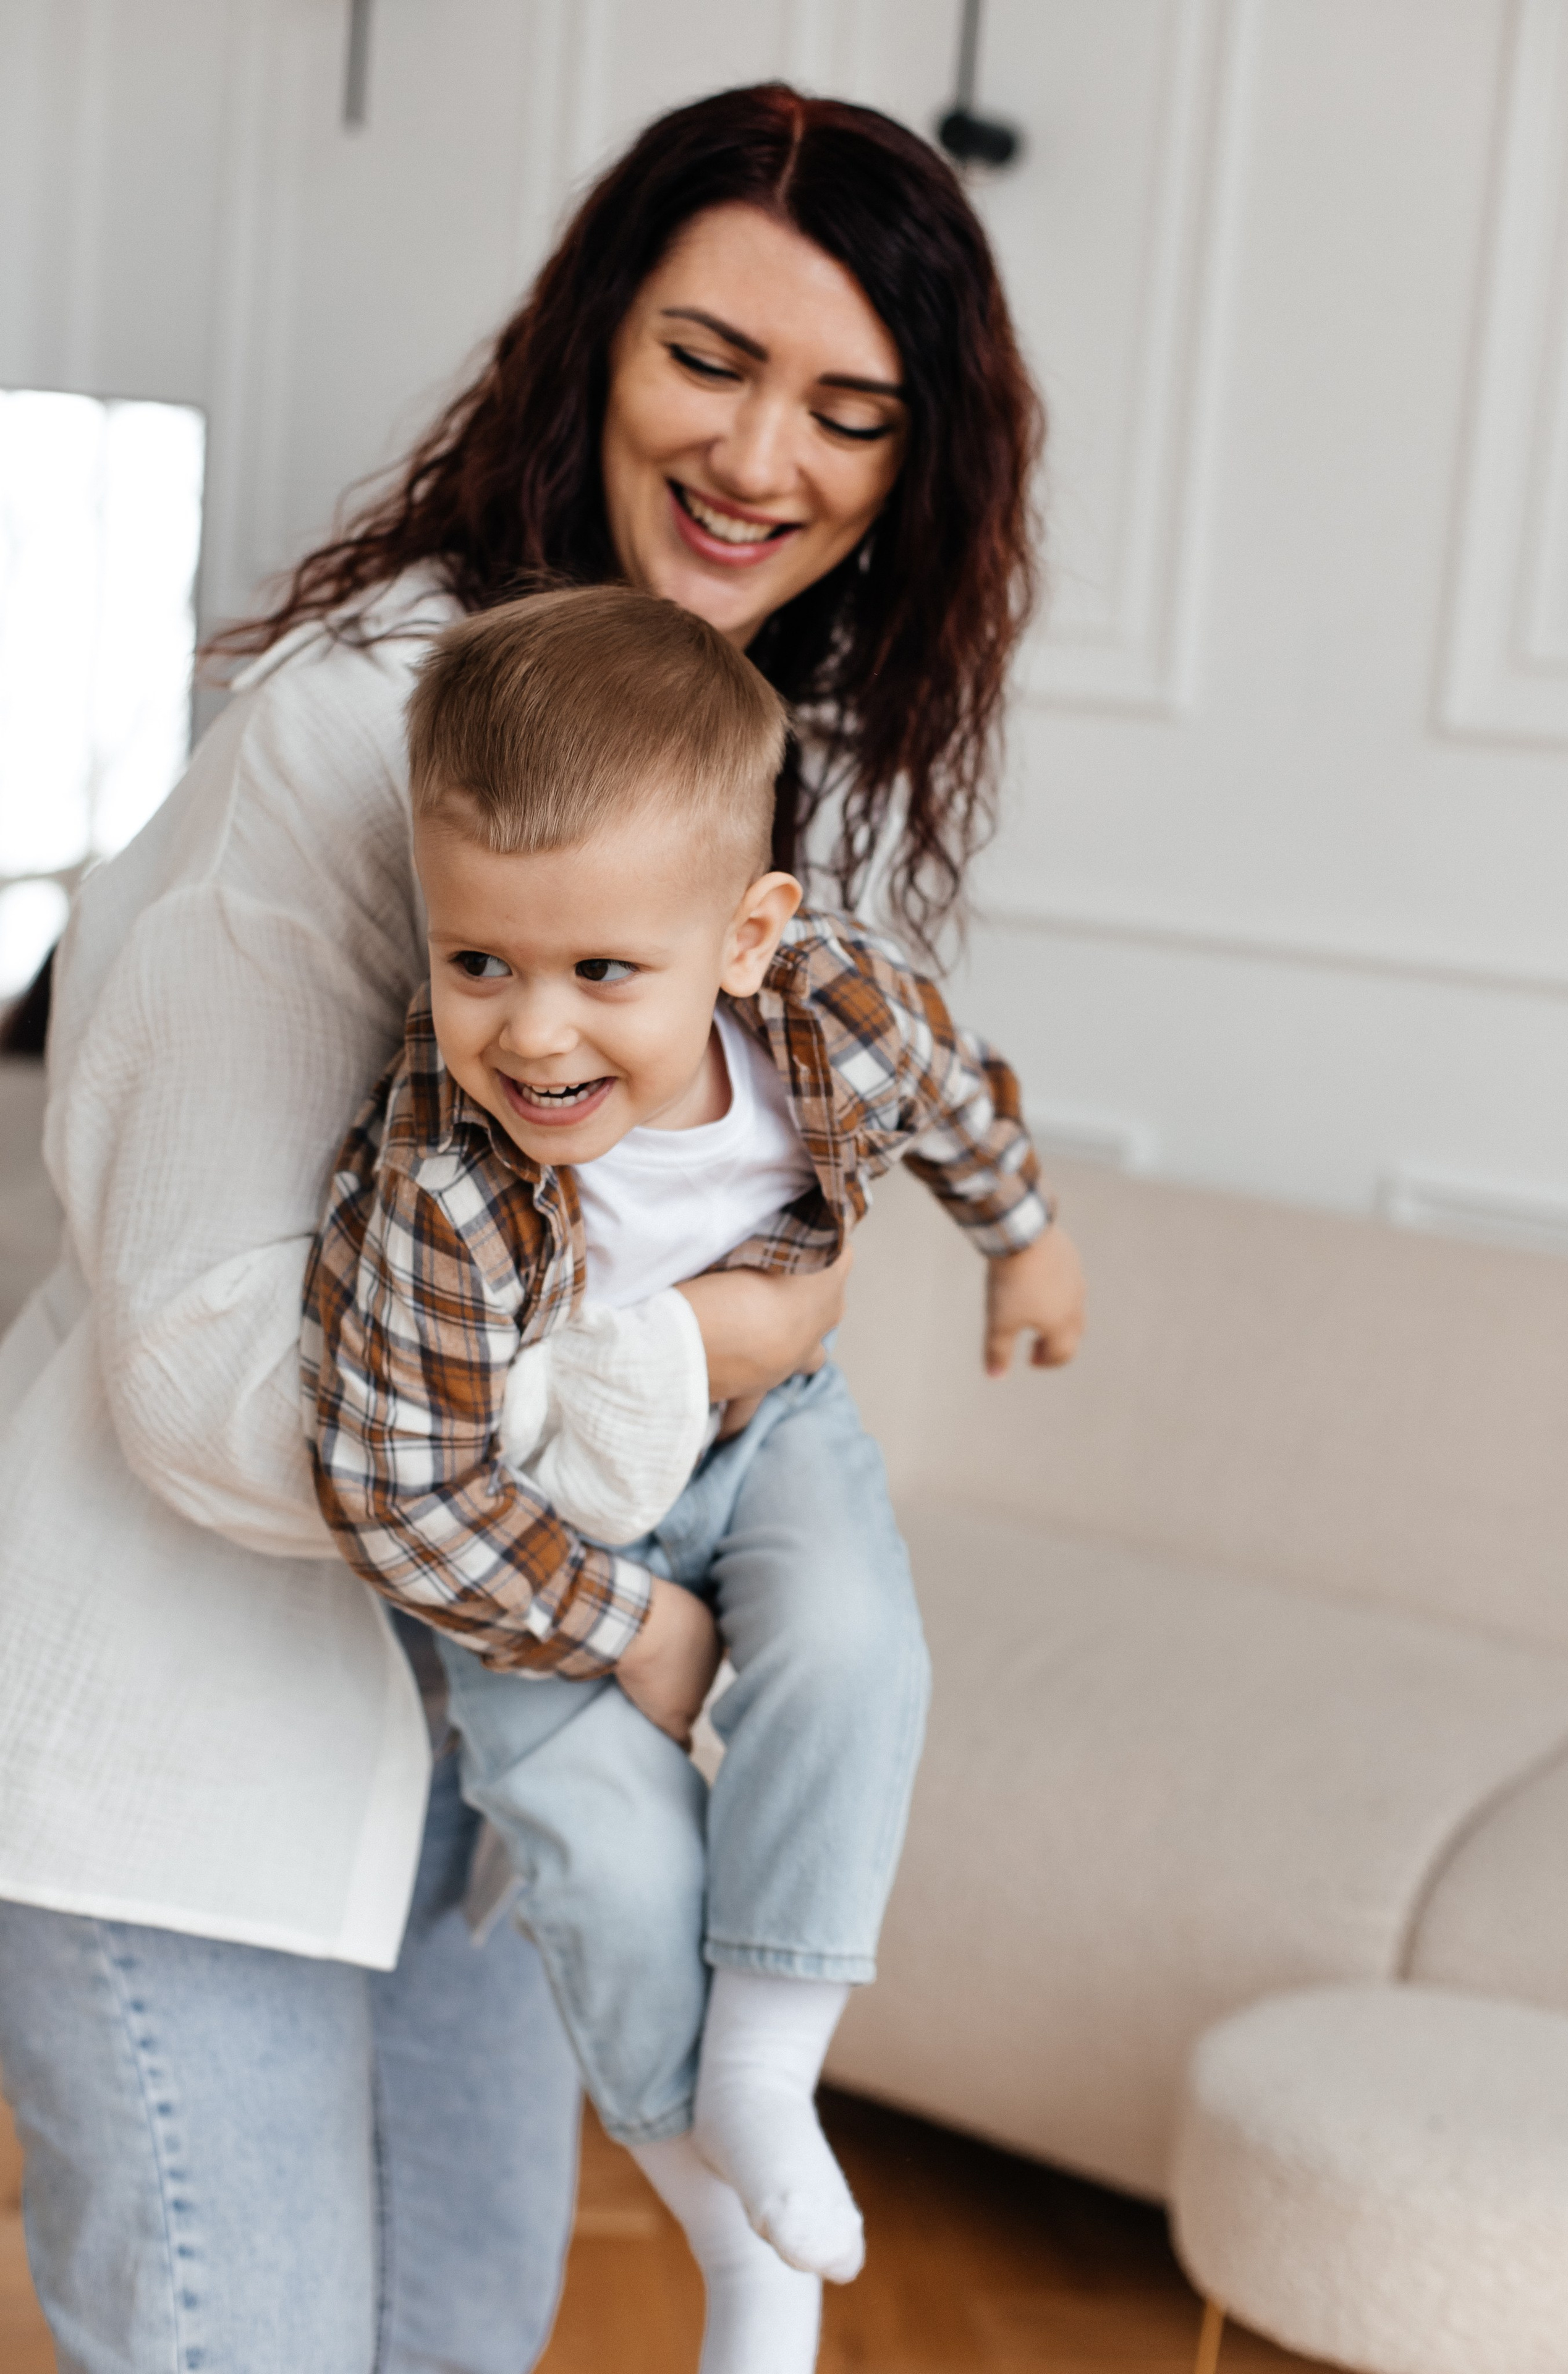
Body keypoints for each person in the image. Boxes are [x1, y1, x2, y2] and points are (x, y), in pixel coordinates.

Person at [0, 80, 1064, 2374]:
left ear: (916, 468)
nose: (763, 457)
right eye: (711, 359)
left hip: (471, 1765)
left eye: (851, 408)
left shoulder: (712, 765)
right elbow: (197, 1380)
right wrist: (702, 1383)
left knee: (469, 2340)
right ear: (592, 343)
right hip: (190, 1756)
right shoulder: (351, 733)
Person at [304, 588, 1084, 2374]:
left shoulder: (830, 1013)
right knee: (612, 1862)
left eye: (602, 974)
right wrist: (622, 1624)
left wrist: (1026, 1245)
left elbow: (955, 1098)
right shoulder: (440, 1189)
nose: (536, 1036)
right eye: (476, 961)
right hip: (538, 1536)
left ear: (746, 938)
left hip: (770, 1436)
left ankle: (771, 2066)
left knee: (855, 1651)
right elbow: (393, 1487)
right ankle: (730, 2234)